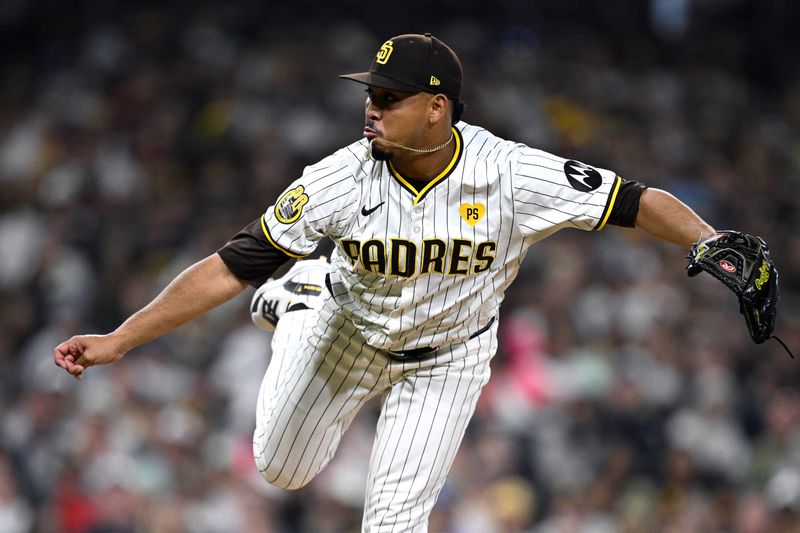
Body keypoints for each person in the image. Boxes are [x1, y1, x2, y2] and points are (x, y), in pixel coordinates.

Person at [55, 33, 716, 532]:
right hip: (347, 330)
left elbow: (633, 200)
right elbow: (231, 266)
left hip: (447, 359)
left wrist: (710, 242)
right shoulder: (339, 177)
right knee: (282, 468)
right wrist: (122, 338)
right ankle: (298, 300)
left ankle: (303, 294)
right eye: (370, 94)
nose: (370, 108)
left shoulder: (511, 174)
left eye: (387, 98)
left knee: (395, 524)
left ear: (436, 108)